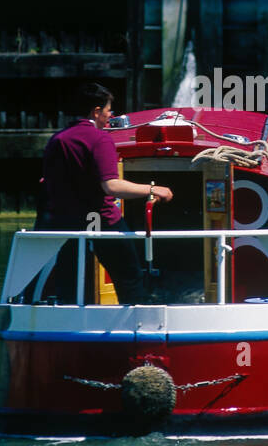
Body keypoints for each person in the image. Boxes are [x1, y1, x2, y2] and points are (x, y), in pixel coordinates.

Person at [37, 83, 173, 304]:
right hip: (102, 220)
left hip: (66, 223)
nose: (111, 115)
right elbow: (111, 186)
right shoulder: (100, 139)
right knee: (129, 278)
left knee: (68, 279)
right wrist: (152, 189)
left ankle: (70, 326)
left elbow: (49, 184)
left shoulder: (57, 140)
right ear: (96, 111)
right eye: (109, 110)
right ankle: (136, 325)